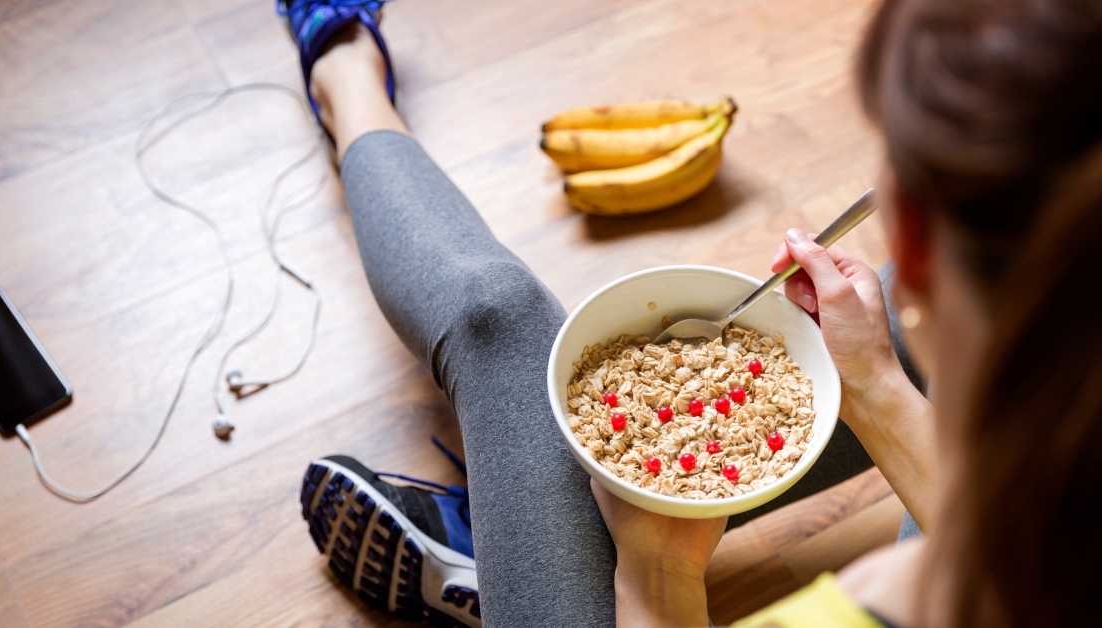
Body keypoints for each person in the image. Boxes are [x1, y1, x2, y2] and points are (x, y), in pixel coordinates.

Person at [291, 0, 1102, 625]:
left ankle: (346, 70)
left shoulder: (874, 603)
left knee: (494, 318)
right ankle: (514, 547)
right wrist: (877, 387)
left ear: (914, 234)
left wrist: (656, 570)